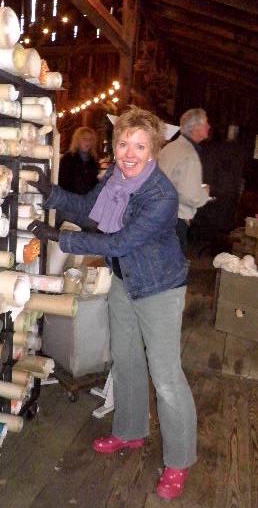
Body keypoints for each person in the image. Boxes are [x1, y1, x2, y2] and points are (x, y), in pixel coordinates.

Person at [27, 106, 196, 501]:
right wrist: (50, 193)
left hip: (160, 288)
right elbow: (89, 208)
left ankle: (179, 460)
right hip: (124, 279)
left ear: (153, 150)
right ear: (115, 145)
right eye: (123, 144)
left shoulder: (161, 195)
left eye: (139, 146)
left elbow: (120, 241)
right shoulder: (116, 179)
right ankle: (130, 431)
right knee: (126, 359)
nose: (129, 154)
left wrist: (61, 237)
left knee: (166, 376)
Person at [158, 108, 211, 254]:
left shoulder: (170, 147)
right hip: (176, 220)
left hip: (159, 215)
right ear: (196, 127)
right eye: (206, 123)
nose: (209, 126)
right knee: (173, 265)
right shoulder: (189, 155)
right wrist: (204, 193)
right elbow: (191, 196)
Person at [58, 126, 99, 194]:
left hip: (88, 198)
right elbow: (62, 182)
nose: (87, 142)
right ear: (77, 140)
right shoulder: (67, 159)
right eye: (84, 139)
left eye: (90, 139)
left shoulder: (93, 161)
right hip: (70, 197)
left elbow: (94, 183)